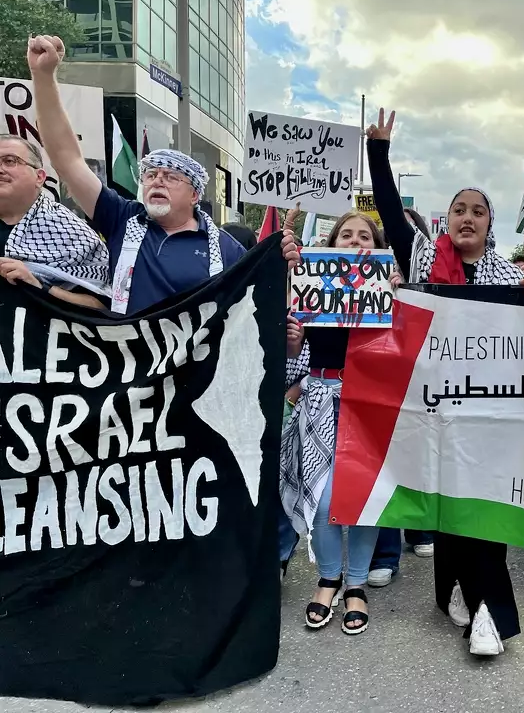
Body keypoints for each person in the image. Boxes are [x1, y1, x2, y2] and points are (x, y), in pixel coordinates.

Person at [367, 108, 524, 658]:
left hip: (490, 412)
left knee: (480, 508)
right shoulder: (420, 257)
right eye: (459, 210)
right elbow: (391, 215)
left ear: (491, 225)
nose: (468, 217)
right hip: (431, 407)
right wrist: (379, 152)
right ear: (446, 220)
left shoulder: (509, 276)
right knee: (449, 509)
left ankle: (490, 614)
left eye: (479, 212)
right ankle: (456, 592)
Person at [26, 34, 299, 314]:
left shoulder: (227, 248)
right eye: (151, 175)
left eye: (171, 177)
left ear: (194, 194)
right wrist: (44, 76)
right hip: (128, 356)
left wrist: (280, 269)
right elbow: (67, 159)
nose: (157, 180)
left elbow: (253, 311)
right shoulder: (122, 217)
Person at [281, 207, 388, 636]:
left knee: (364, 498)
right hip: (320, 400)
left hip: (370, 404)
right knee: (324, 499)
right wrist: (293, 343)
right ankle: (329, 577)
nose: (355, 242)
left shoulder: (388, 291)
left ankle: (357, 583)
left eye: (365, 236)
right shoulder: (311, 288)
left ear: (377, 248)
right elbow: (291, 363)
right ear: (332, 244)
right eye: (346, 235)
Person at [0, 134, 109, 309]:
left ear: (40, 177)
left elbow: (102, 308)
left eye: (10, 161)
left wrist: (39, 285)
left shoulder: (72, 232)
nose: (1, 169)